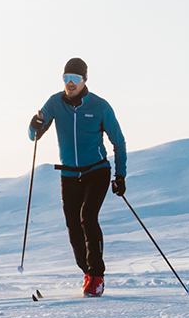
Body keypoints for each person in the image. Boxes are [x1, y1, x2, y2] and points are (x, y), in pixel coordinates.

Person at [27, 58, 127, 296]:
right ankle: (87, 271)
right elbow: (35, 135)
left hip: (97, 171)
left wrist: (120, 175)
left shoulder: (100, 106)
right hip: (69, 174)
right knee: (73, 226)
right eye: (66, 78)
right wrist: (34, 125)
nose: (70, 84)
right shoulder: (54, 102)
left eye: (75, 79)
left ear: (84, 81)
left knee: (87, 217)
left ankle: (97, 276)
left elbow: (119, 142)